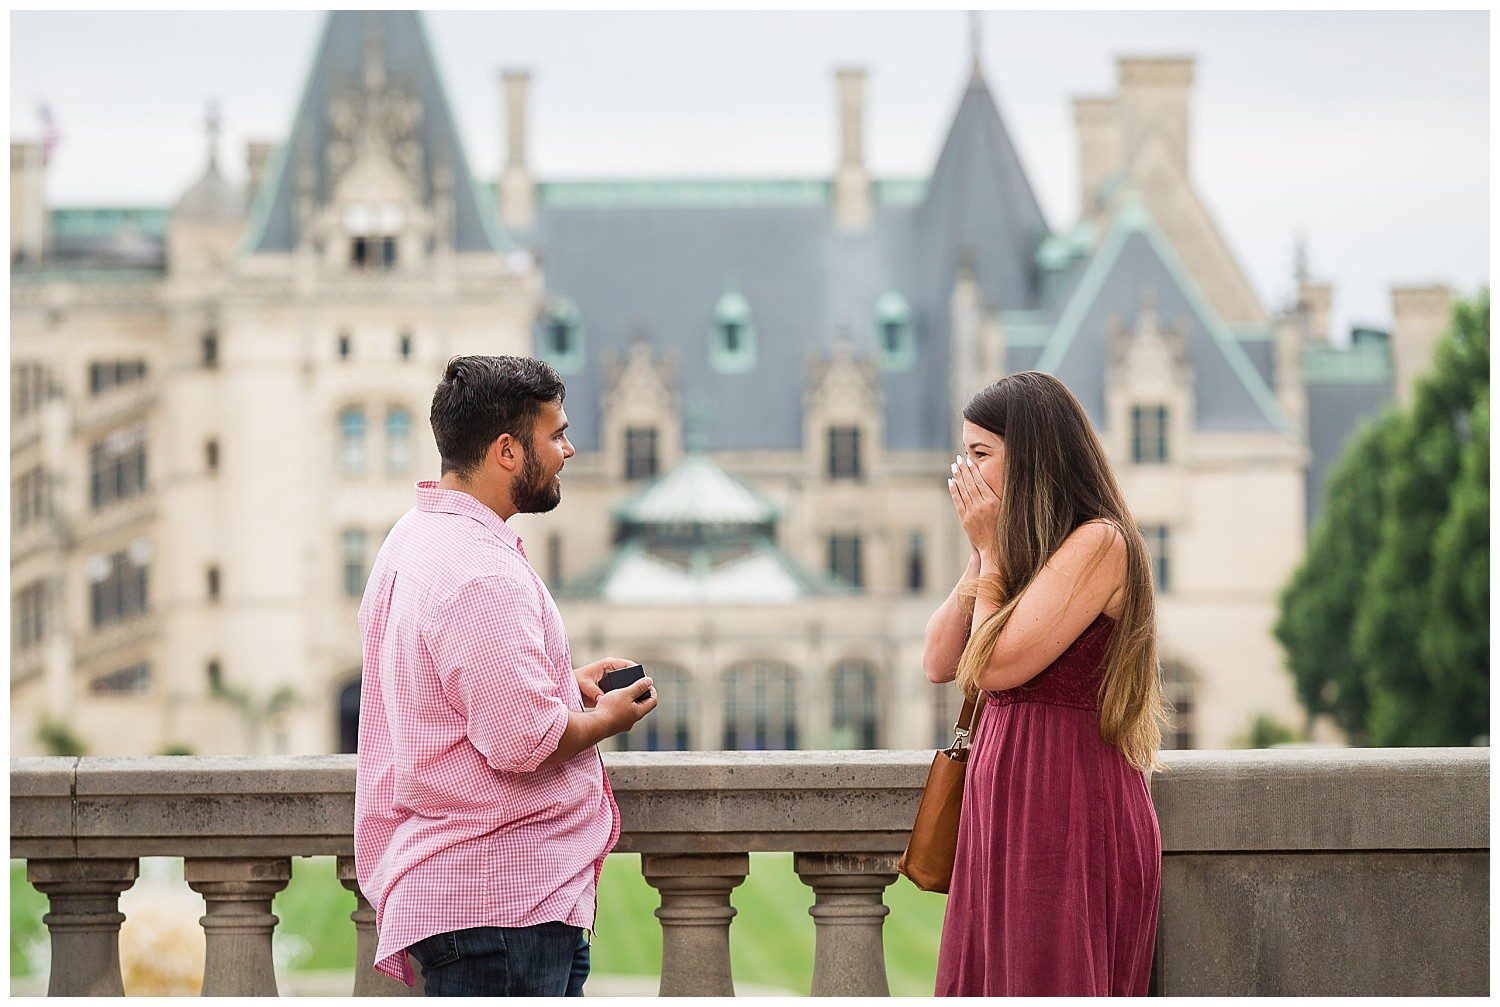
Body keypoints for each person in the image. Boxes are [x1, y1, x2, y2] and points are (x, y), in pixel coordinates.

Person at [354, 355, 657, 996]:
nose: (569, 450)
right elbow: (522, 741)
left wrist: (557, 679)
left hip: (473, 902)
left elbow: (453, 688)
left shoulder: (412, 537)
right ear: (507, 451)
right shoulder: (482, 571)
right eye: (555, 434)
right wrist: (609, 717)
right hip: (500, 903)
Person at [925, 371, 1164, 997]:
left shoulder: (1099, 542)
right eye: (964, 454)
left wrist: (993, 555)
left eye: (982, 455)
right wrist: (984, 554)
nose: (966, 474)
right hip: (1004, 802)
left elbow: (996, 667)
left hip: (1068, 800)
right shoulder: (1017, 549)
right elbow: (938, 659)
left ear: (1029, 458)